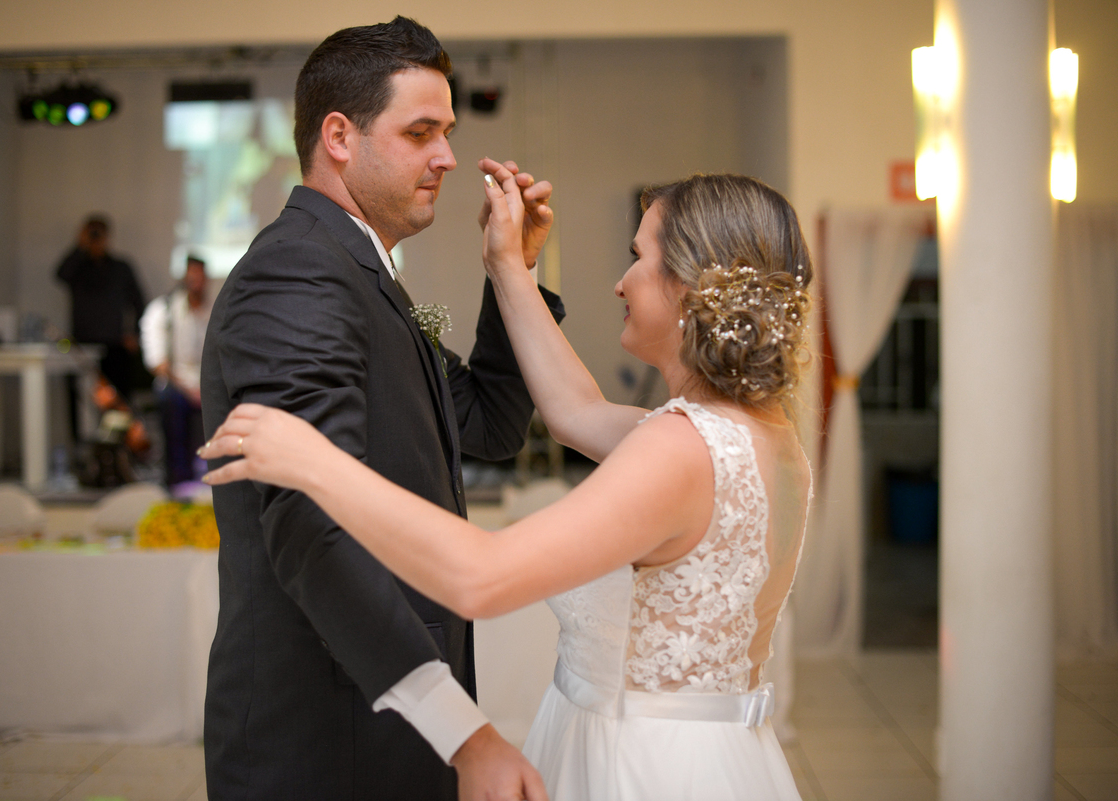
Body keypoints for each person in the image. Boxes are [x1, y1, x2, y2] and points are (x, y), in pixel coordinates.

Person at [201, 167, 814, 801]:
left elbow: (482, 576)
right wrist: (508, 266)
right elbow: (573, 411)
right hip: (710, 751)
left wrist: (315, 462)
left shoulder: (678, 449)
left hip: (644, 765)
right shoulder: (761, 435)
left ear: (690, 286)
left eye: (638, 256)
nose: (620, 281)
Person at [198, 17, 562, 801]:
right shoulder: (299, 272)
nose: (449, 157)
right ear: (339, 135)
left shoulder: (369, 275)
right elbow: (309, 524)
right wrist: (461, 729)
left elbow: (488, 423)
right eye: (421, 131)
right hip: (329, 735)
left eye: (449, 131)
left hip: (384, 722)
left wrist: (513, 271)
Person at [55, 215, 146, 403]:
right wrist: (80, 246)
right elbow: (60, 275)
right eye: (91, 232)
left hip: (114, 345)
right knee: (81, 403)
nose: (95, 238)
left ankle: (119, 433)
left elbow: (139, 302)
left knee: (118, 402)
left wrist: (135, 333)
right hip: (82, 344)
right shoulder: (78, 267)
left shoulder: (121, 268)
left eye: (98, 233)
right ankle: (81, 435)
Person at [140, 255, 211, 486]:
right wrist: (189, 390)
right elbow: (158, 363)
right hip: (176, 384)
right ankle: (179, 479)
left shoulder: (212, 311)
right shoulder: (164, 311)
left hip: (207, 383)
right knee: (172, 402)